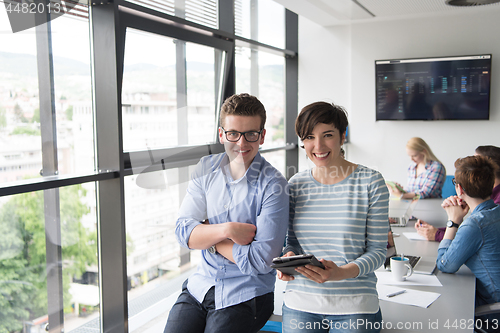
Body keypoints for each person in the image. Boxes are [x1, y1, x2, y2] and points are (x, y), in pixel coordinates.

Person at [164, 93, 289, 333]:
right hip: (201, 286)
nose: (241, 144)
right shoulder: (205, 168)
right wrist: (228, 230)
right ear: (222, 134)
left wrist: (208, 236)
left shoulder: (274, 185)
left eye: (251, 134)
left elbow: (262, 261)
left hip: (247, 294)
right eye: (233, 134)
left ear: (262, 136)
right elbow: (182, 231)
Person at [278, 102, 389, 332]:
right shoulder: (296, 185)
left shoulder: (370, 182)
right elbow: (292, 243)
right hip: (302, 301)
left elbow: (378, 251)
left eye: (327, 135)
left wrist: (340, 273)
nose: (318, 146)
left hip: (355, 303)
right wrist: (287, 258)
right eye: (309, 137)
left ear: (342, 136)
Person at [436, 155, 500, 333]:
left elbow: (444, 265)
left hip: (493, 309)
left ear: (459, 188)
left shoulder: (475, 224)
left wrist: (453, 221)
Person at [415, 145, 500, 241]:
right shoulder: (484, 195)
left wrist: (437, 234)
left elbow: (473, 237)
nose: (471, 163)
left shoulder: (496, 204)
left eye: (475, 161)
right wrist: (443, 228)